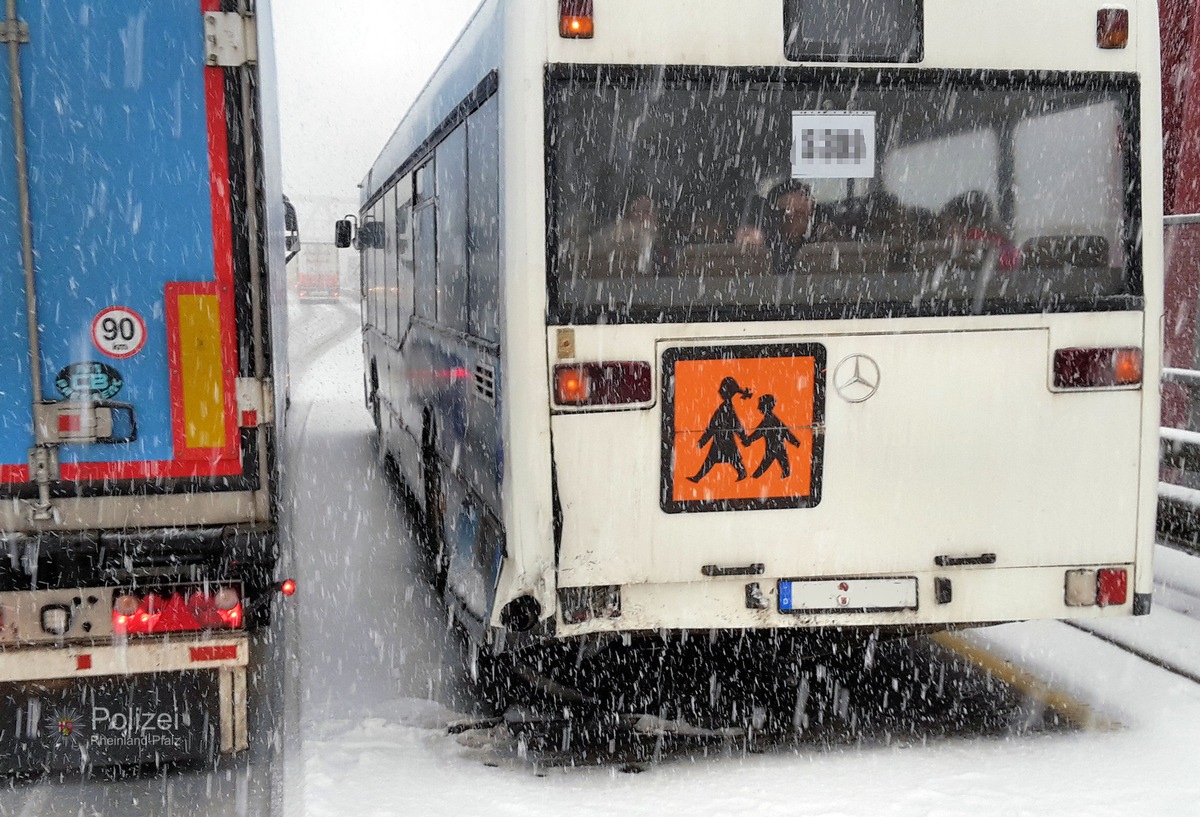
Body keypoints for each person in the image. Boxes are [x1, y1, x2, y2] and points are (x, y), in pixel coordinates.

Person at [735, 180, 824, 273]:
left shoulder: (815, 247)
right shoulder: (764, 244)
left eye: (807, 214)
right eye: (797, 212)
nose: (807, 213)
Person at [688, 377, 754, 483]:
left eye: (722, 389)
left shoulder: (726, 409)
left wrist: (703, 440)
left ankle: (741, 472)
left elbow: (732, 425)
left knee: (716, 459)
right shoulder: (725, 408)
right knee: (717, 459)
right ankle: (698, 477)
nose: (720, 392)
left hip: (724, 440)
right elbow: (716, 426)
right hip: (722, 439)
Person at [938, 190, 1021, 271]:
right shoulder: (994, 236)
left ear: (965, 222)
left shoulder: (974, 237)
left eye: (949, 224)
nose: (944, 231)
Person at [744, 394, 801, 479]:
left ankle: (753, 478)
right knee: (784, 467)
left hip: (773, 448)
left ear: (765, 406)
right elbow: (785, 432)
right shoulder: (771, 419)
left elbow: (759, 432)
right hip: (778, 446)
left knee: (765, 466)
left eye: (760, 404)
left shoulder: (769, 420)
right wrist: (795, 442)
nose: (758, 407)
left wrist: (748, 440)